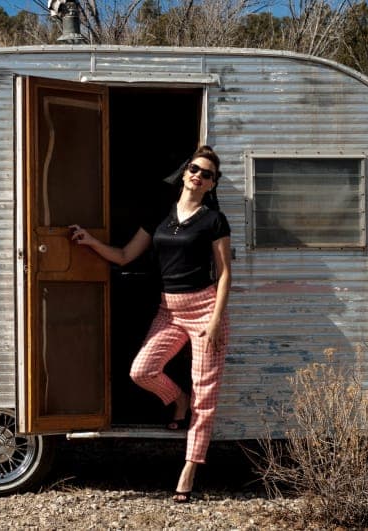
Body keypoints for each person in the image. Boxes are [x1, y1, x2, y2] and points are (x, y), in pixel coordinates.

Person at [70, 145, 231, 503]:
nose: (199, 176)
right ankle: (178, 399)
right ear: (184, 172)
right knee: (142, 370)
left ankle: (189, 469)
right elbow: (125, 255)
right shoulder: (159, 215)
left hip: (205, 309)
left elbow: (224, 274)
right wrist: (92, 242)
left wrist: (217, 319)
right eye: (195, 169)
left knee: (206, 396)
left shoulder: (213, 220)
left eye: (207, 174)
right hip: (169, 310)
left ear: (211, 184)